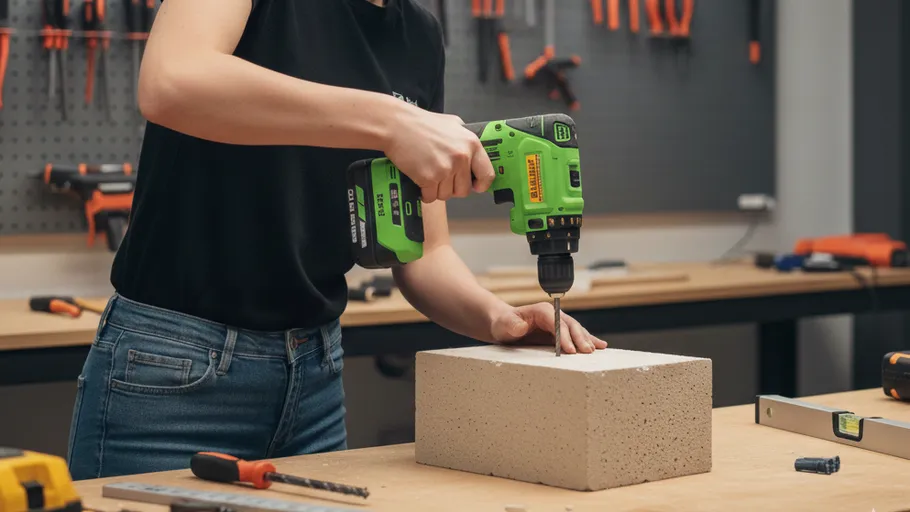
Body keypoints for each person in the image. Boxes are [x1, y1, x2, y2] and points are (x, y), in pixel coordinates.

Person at [65, 0, 607, 480]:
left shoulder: (418, 34)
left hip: (314, 378)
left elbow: (427, 252)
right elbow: (172, 80)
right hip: (173, 370)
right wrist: (391, 120)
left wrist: (499, 319)